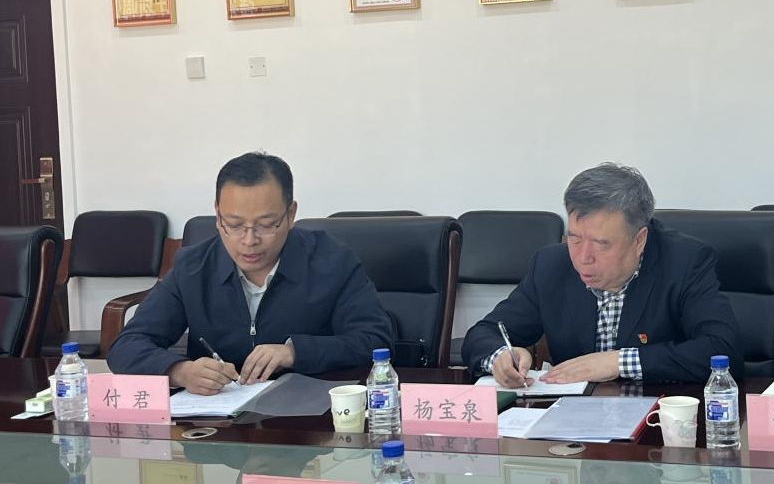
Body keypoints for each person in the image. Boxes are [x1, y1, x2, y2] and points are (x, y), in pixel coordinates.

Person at [108, 152, 393, 394]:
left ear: (291, 214)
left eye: (266, 224)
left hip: (308, 421)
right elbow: (126, 346)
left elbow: (375, 340)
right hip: (217, 427)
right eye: (233, 224)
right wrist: (179, 371)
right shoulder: (193, 267)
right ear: (217, 215)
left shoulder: (332, 262)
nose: (249, 240)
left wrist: (295, 352)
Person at [462, 163, 741, 386]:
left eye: (601, 243)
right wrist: (502, 356)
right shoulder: (551, 266)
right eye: (574, 238)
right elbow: (483, 335)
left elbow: (723, 350)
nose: (583, 257)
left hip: (659, 422)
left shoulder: (685, 262)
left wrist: (616, 362)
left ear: (639, 240)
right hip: (572, 424)